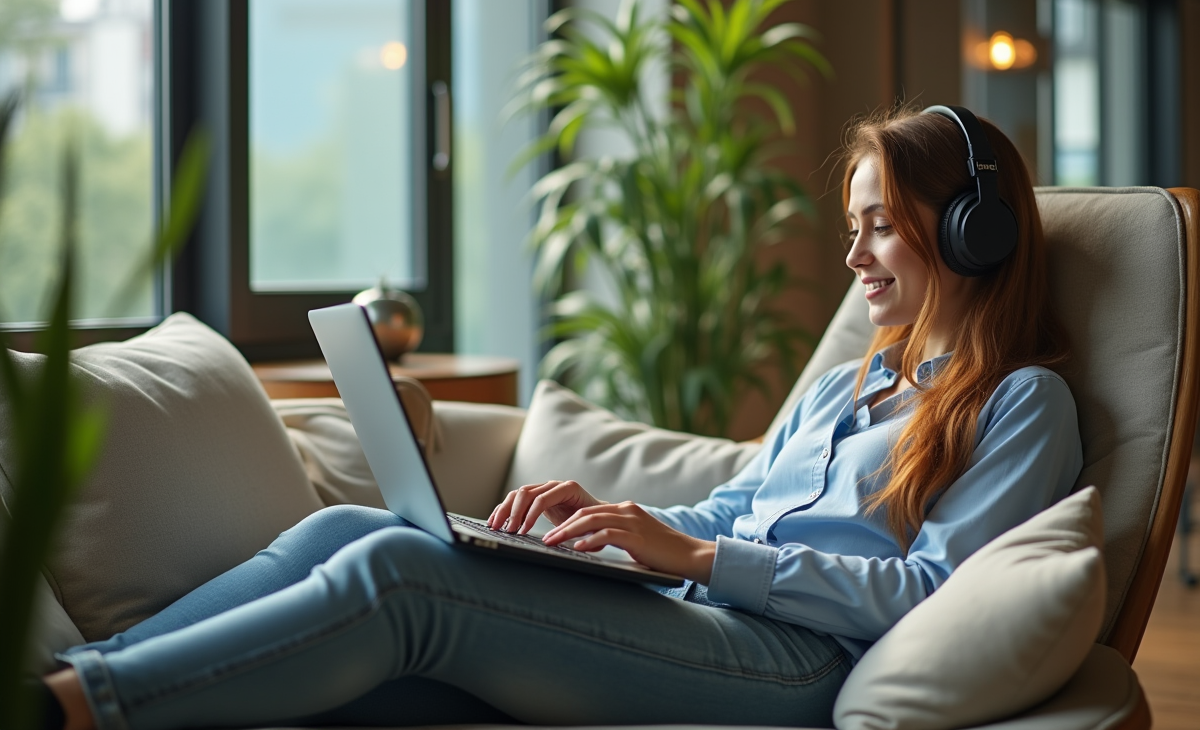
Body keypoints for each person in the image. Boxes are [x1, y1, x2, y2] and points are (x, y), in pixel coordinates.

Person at [37, 106, 1083, 730]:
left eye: (882, 228)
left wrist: (705, 559)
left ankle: (70, 712)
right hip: (707, 612)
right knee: (353, 530)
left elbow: (929, 594)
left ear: (970, 233)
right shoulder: (848, 382)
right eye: (851, 226)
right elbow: (736, 501)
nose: (854, 256)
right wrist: (618, 522)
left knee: (401, 579)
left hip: (793, 662)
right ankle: (76, 673)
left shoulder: (1022, 402)